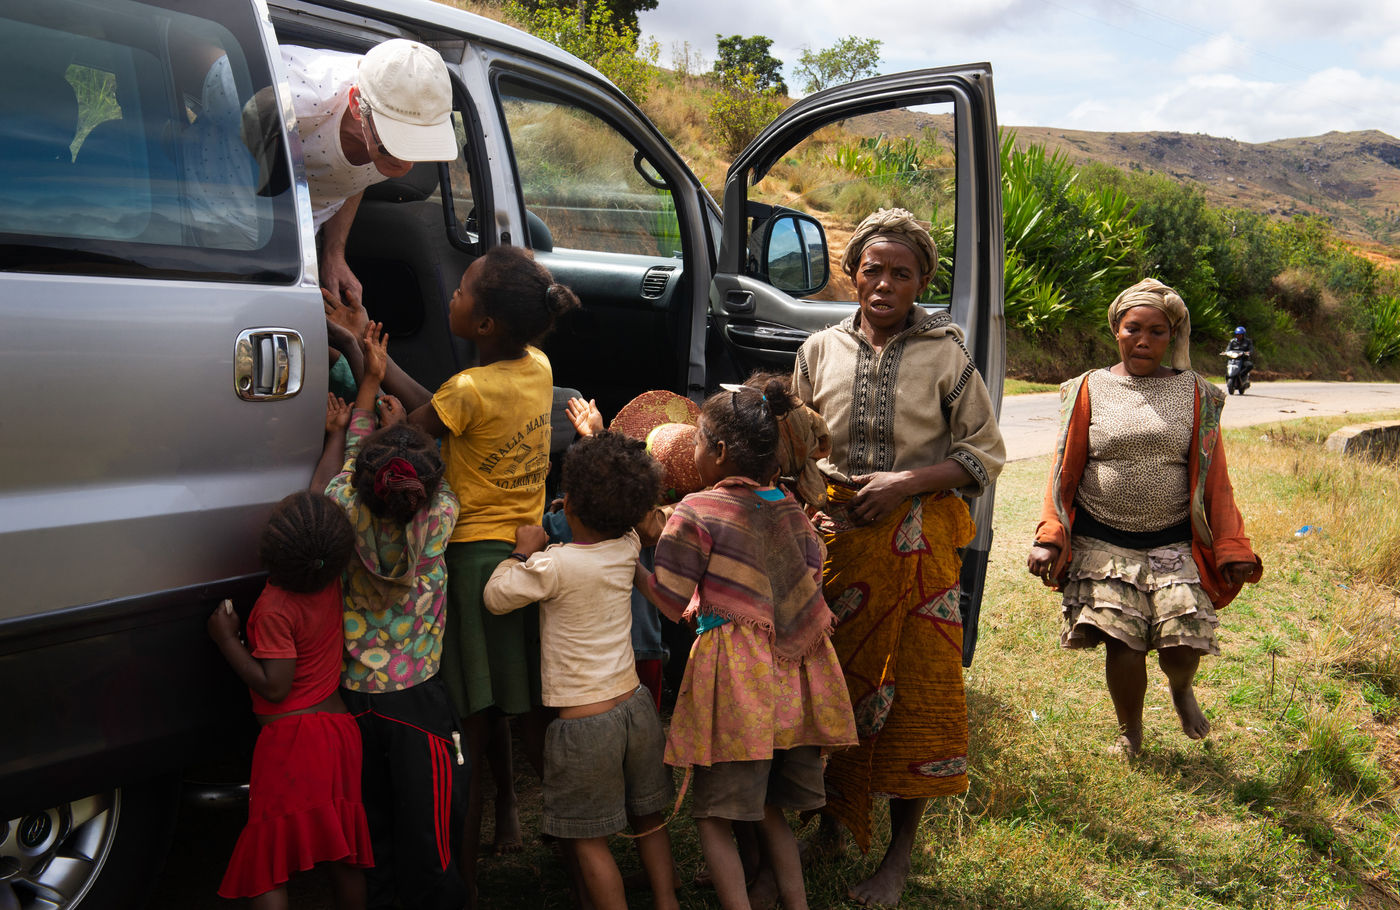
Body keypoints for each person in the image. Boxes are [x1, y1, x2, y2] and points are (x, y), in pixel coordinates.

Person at [793, 207, 1005, 906]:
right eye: (872, 269)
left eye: (901, 273)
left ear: (921, 283)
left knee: (917, 694)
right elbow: (794, 445)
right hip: (836, 546)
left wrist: (905, 483)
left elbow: (983, 453)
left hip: (918, 549)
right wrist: (810, 502)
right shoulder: (819, 351)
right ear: (852, 274)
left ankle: (898, 853)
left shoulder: (946, 355)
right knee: (827, 688)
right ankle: (828, 822)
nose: (884, 283)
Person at [357, 245, 580, 904]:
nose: (451, 293)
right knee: (529, 715)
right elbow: (456, 409)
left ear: (483, 327)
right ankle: (577, 859)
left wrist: (367, 376)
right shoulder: (537, 367)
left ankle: (464, 884)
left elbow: (415, 432)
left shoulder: (468, 390)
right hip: (526, 556)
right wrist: (386, 361)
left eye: (463, 290)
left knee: (469, 731)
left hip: (473, 567)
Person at [636, 379, 859, 910]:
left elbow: (670, 600)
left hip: (740, 685)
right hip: (797, 681)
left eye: (696, 442)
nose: (691, 452)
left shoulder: (696, 510)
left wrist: (632, 570)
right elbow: (800, 583)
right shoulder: (792, 510)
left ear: (717, 452)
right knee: (771, 809)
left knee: (715, 815)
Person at [1027, 278, 1263, 756]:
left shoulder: (1197, 393)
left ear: (1172, 336)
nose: (1143, 340)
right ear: (1116, 328)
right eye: (1133, 328)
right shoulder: (1089, 387)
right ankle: (1130, 732)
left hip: (1173, 539)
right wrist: (1050, 535)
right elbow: (1063, 472)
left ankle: (1180, 688)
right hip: (1102, 538)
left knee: (1181, 643)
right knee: (1124, 643)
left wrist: (1232, 547)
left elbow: (1215, 479)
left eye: (1157, 331)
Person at [483, 431, 679, 910]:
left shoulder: (554, 566)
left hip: (583, 723)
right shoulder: (630, 544)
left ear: (567, 507)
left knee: (587, 839)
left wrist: (523, 549)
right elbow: (613, 523)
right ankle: (667, 903)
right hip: (635, 706)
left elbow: (497, 595)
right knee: (647, 817)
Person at [311, 324, 468, 910]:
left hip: (355, 700)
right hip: (417, 706)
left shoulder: (342, 508)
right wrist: (396, 421)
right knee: (431, 837)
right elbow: (438, 453)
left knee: (371, 832)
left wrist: (365, 389)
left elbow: (348, 473)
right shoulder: (441, 515)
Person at [207, 492, 372, 909]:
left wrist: (226, 640)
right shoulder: (329, 578)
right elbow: (319, 504)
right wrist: (335, 436)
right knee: (344, 853)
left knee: (268, 858)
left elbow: (275, 686)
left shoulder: (274, 606)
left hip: (294, 741)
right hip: (339, 733)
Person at [280, 39, 458, 302]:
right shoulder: (292, 96)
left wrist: (333, 254)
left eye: (416, 148)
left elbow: (353, 177)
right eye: (392, 144)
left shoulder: (382, 123)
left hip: (297, 240)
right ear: (355, 104)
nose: (405, 166)